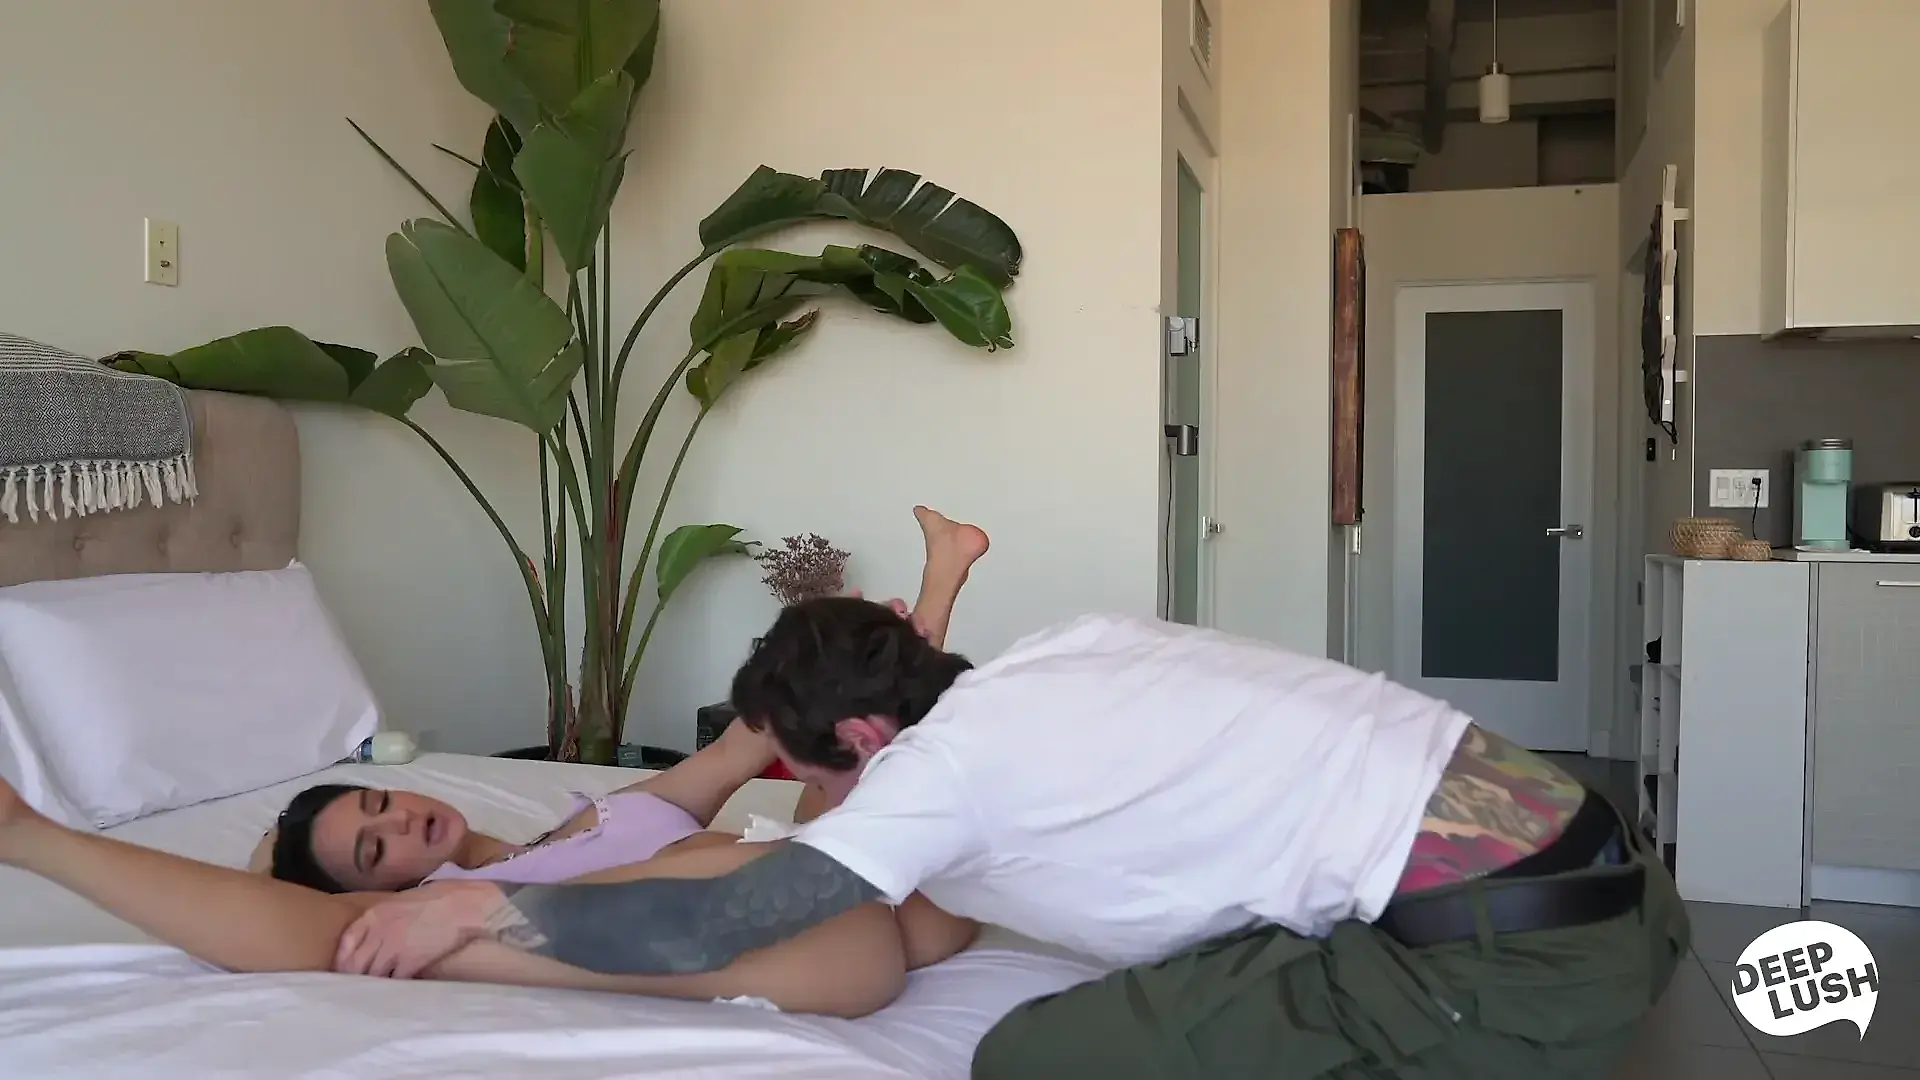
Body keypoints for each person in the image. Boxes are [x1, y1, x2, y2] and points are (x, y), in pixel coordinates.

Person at [332, 599, 1692, 1080]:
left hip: (1510, 968)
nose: (819, 800)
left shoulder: (938, 774)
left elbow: (709, 925)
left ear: (862, 740)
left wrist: (471, 909)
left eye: (814, 777)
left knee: (1037, 1057)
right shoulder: (1066, 646)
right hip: (1607, 859)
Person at [0, 508, 991, 1020]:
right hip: (793, 927)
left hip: (876, 893)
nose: (399, 822)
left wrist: (881, 651)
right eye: (374, 852)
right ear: (384, 889)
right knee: (842, 785)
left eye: (378, 804)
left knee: (836, 758)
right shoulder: (448, 908)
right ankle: (27, 838)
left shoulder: (585, 824)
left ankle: (935, 597)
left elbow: (754, 740)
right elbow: (298, 926)